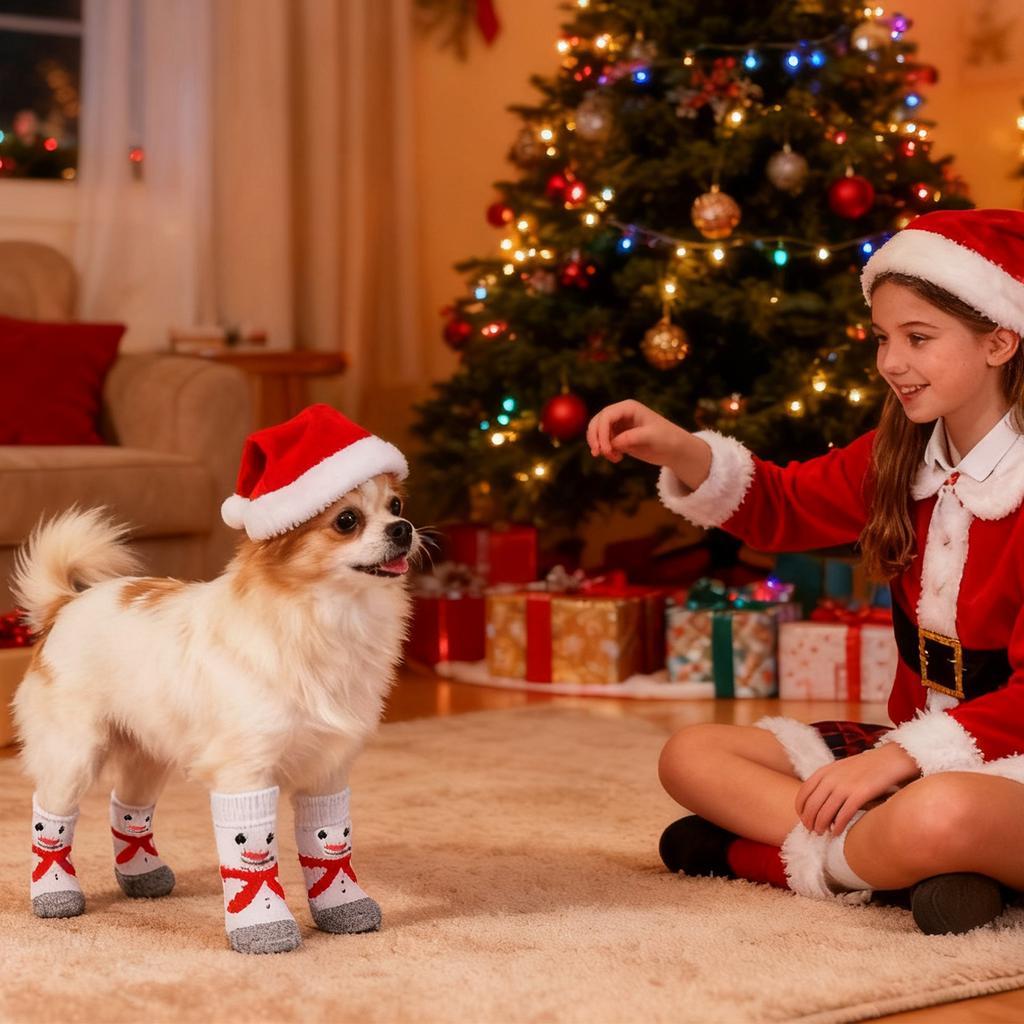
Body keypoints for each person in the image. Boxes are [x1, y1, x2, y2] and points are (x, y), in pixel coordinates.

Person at [587, 209, 1024, 935]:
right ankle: (903, 868)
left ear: (999, 341)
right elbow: (780, 506)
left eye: (918, 338)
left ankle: (762, 857)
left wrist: (895, 765)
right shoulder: (901, 454)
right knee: (692, 755)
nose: (891, 362)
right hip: (922, 749)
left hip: (1002, 760)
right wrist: (677, 450)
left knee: (944, 812)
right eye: (883, 339)